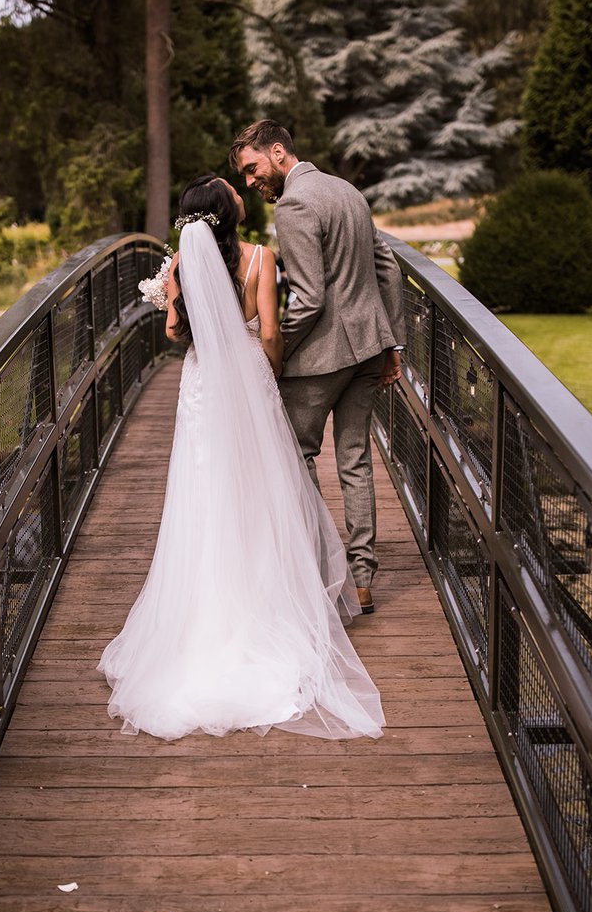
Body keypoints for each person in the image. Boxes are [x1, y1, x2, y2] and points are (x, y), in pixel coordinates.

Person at [98, 173, 384, 742]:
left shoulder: (183, 264)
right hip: (251, 375)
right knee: (259, 485)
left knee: (203, 487)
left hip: (204, 382)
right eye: (234, 190)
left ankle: (204, 612)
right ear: (228, 211)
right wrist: (267, 373)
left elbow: (175, 333)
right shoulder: (260, 259)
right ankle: (269, 599)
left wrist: (178, 305)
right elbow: (271, 332)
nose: (241, 191)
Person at [229, 120, 407, 613]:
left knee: (296, 455)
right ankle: (362, 579)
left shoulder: (293, 204)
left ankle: (319, 572)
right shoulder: (348, 191)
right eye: (245, 176)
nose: (251, 181)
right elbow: (388, 268)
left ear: (278, 151)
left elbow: (308, 301)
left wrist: (274, 351)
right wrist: (392, 342)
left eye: (252, 168)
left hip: (321, 360)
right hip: (368, 350)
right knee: (356, 460)